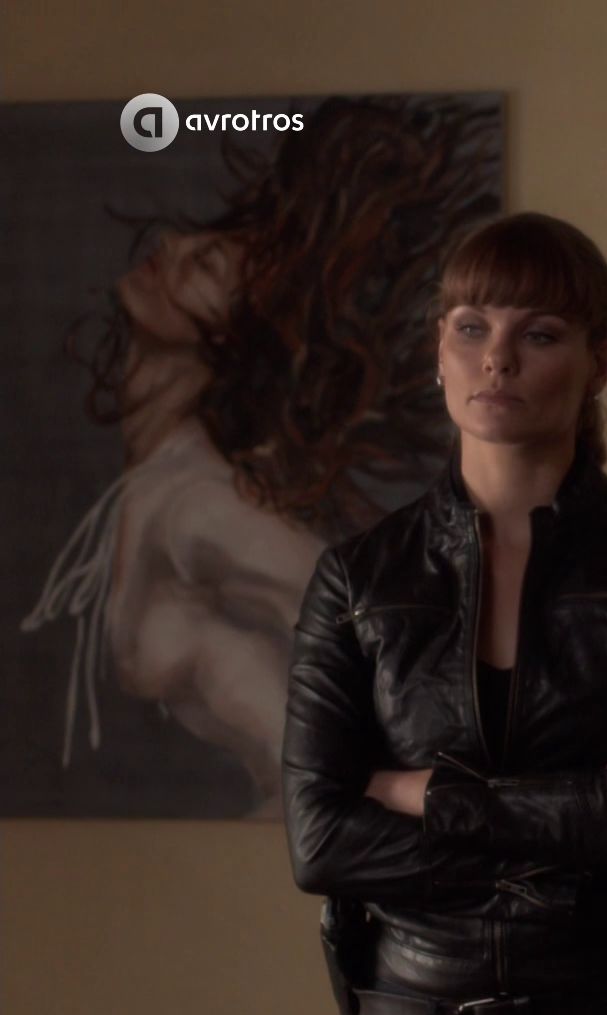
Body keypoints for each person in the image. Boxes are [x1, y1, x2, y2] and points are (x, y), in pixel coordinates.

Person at [282, 212, 607, 1015]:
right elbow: (321, 843)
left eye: (539, 334)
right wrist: (587, 818)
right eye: (472, 328)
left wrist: (425, 794)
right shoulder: (357, 578)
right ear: (439, 350)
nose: (497, 359)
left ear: (598, 362)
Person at [23, 96, 500, 813]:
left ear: (241, 336)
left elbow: (379, 628)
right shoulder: (157, 479)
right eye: (198, 244)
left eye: (208, 266)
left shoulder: (199, 504)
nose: (172, 247)